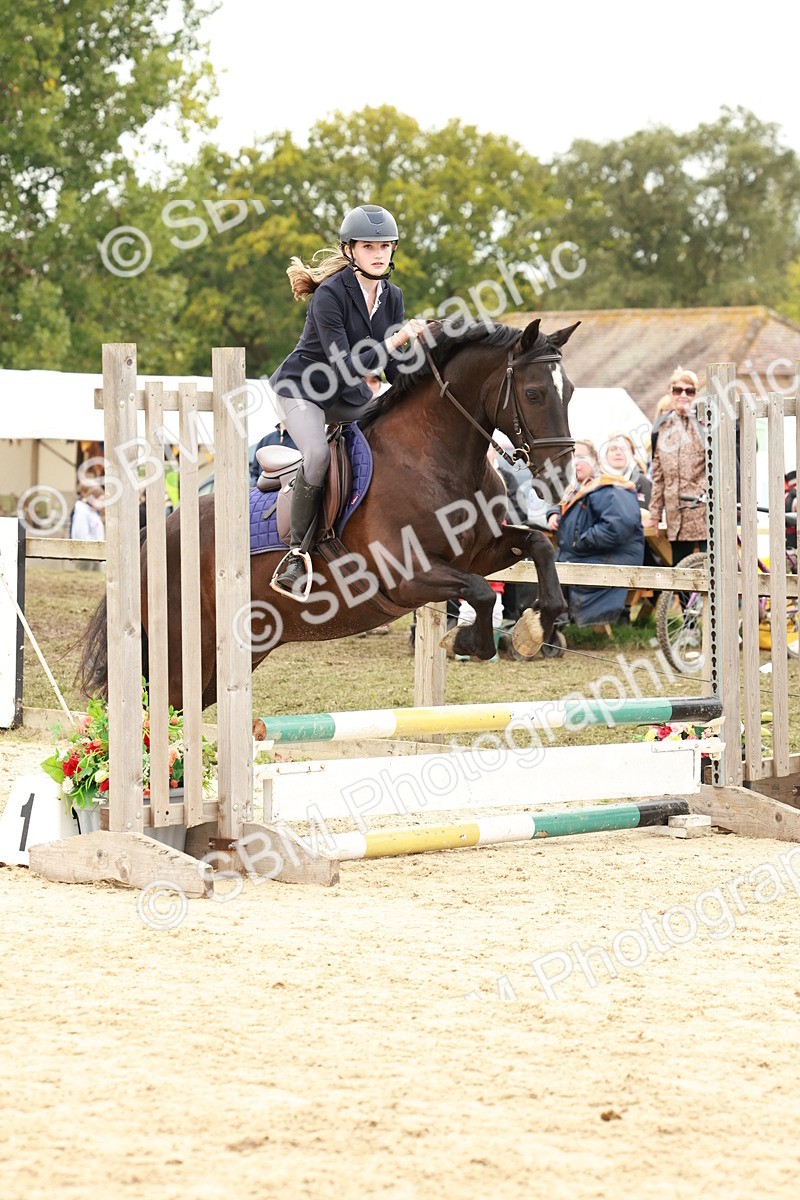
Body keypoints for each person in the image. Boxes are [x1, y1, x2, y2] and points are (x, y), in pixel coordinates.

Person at [268, 204, 426, 597]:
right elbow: (345, 365)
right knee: (318, 456)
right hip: (304, 390)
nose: (379, 254)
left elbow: (396, 370)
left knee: (391, 432)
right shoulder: (329, 295)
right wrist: (398, 339)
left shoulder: (392, 296)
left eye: (385, 246)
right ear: (350, 250)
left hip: (348, 396)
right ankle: (296, 554)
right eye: (369, 246)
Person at [547, 439, 644, 628]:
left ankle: (554, 627)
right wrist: (553, 513)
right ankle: (552, 625)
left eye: (582, 457)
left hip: (612, 557)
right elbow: (561, 505)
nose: (576, 463)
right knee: (543, 567)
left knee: (555, 570)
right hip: (587, 553)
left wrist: (581, 541)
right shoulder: (576, 489)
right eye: (571, 458)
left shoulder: (609, 487)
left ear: (595, 461)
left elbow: (618, 527)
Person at [646, 367, 707, 564]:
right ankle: (681, 597)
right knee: (681, 579)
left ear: (696, 395)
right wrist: (654, 514)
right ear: (670, 393)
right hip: (675, 517)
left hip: (705, 515)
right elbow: (658, 476)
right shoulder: (661, 427)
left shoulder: (706, 425)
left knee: (712, 574)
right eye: (677, 390)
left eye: (689, 391)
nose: (683, 395)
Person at [601, 432, 652, 510]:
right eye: (613, 449)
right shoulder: (595, 484)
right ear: (606, 455)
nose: (618, 453)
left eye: (623, 449)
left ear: (632, 455)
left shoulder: (644, 483)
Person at [249, 423, 298, 487]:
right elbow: (255, 472)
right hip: (265, 492)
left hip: (291, 490)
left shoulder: (300, 440)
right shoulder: (265, 440)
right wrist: (256, 488)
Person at [70, 483, 105, 570]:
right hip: (85, 554)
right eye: (100, 500)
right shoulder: (82, 512)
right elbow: (82, 534)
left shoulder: (93, 512)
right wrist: (93, 550)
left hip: (95, 555)